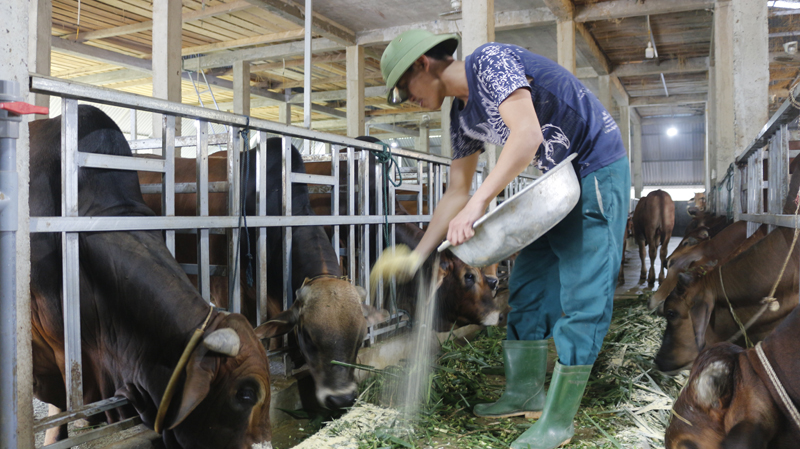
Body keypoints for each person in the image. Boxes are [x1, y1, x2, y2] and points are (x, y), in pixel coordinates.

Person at [371, 30, 630, 449]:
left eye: (404, 88)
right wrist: (416, 256)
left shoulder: (489, 62)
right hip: (556, 182)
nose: (408, 99)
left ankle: (559, 423)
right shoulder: (460, 116)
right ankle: (523, 393)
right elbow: (456, 190)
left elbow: (526, 137)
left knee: (584, 296)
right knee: (527, 288)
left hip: (597, 167)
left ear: (423, 64)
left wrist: (478, 206)